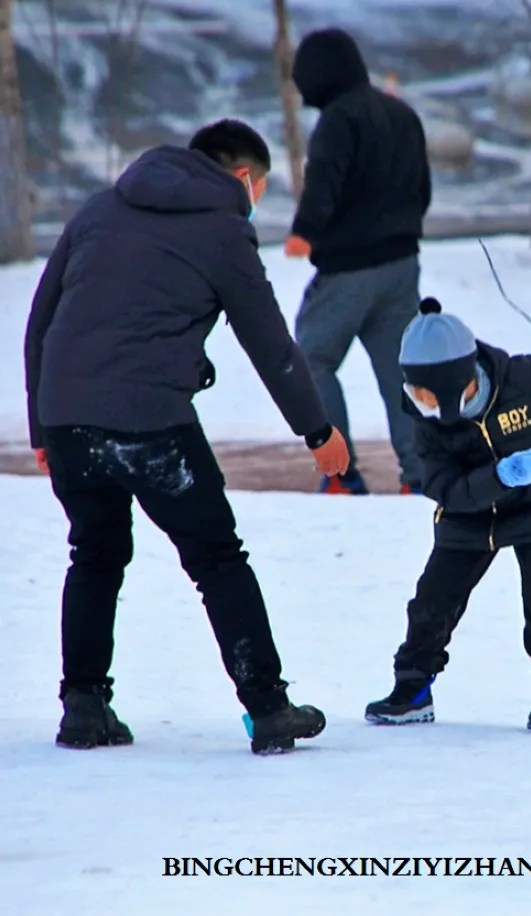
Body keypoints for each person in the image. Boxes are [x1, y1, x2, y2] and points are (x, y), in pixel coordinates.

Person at [24, 119, 350, 756]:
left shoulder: (99, 209)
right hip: (150, 425)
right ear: (240, 177)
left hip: (69, 420)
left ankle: (84, 708)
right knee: (217, 559)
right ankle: (269, 708)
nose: (257, 198)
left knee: (93, 554)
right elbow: (271, 345)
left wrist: (44, 424)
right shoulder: (224, 230)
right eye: (260, 185)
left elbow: (40, 321)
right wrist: (317, 431)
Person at [365, 297, 531, 733]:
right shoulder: (426, 422)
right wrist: (498, 477)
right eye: (415, 391)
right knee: (433, 598)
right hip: (470, 513)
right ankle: (413, 686)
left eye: (426, 392)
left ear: (455, 382)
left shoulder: (530, 380)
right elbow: (442, 487)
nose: (420, 402)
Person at [284, 27, 431, 496]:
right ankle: (419, 476)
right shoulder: (402, 113)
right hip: (402, 265)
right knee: (400, 373)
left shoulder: (338, 120)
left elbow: (324, 182)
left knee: (310, 359)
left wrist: (304, 232)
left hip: (350, 270)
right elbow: (422, 190)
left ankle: (341, 476)